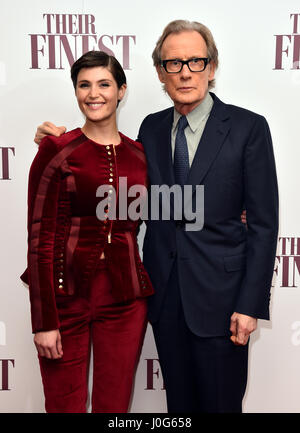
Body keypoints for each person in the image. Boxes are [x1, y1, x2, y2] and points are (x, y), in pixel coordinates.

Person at [34, 19, 279, 413]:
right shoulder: (151, 128)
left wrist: (250, 305)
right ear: (160, 74)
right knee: (178, 409)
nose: (184, 72)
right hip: (165, 302)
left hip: (224, 304)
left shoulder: (248, 128)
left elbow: (265, 227)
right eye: (173, 63)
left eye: (196, 61)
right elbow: (110, 176)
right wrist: (57, 143)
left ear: (212, 68)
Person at [21, 50, 154, 413]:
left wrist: (232, 214)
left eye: (104, 84)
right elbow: (39, 239)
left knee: (115, 407)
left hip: (125, 302)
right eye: (84, 85)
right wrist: (44, 321)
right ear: (76, 91)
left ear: (121, 91)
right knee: (64, 405)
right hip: (64, 302)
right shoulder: (56, 150)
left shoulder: (140, 155)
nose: (93, 94)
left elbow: (165, 209)